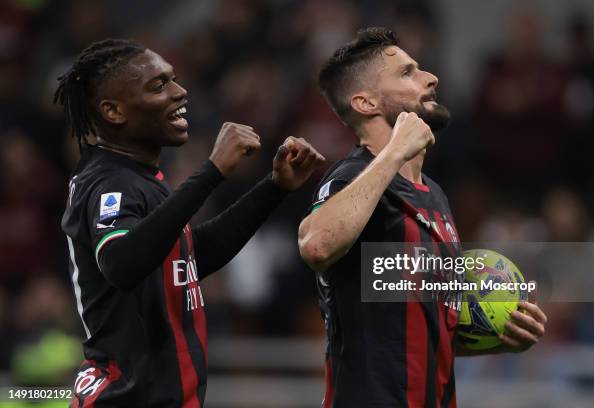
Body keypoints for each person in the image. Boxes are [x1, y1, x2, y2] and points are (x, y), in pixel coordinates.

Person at [57, 38, 324, 407]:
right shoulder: (108, 184)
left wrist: (274, 188)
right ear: (113, 111)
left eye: (173, 79)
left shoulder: (139, 179)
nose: (179, 92)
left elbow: (190, 258)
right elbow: (121, 263)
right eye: (158, 86)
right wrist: (212, 172)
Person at [298, 27, 548, 407]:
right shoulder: (350, 177)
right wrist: (395, 151)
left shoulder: (434, 195)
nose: (431, 78)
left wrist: (498, 338)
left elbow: (414, 331)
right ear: (366, 104)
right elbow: (316, 244)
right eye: (406, 73)